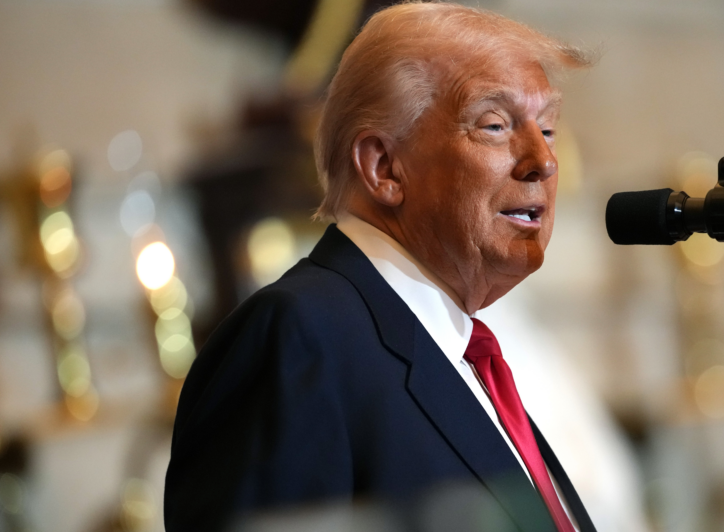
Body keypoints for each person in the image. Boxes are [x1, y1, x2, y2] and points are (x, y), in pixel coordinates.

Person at [164, 2, 594, 531]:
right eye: (495, 125)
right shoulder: (299, 337)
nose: (543, 161)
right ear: (384, 167)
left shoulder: (460, 354)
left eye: (547, 129)